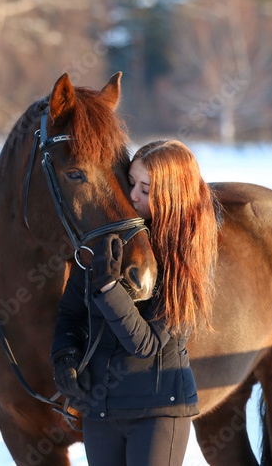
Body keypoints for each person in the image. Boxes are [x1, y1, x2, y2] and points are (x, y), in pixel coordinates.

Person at [50, 140, 218, 466]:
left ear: (172, 196)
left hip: (157, 413)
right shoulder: (105, 237)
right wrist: (64, 356)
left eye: (146, 189)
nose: (132, 197)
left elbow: (147, 343)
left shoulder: (185, 260)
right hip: (101, 410)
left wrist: (109, 286)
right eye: (130, 183)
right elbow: (70, 312)